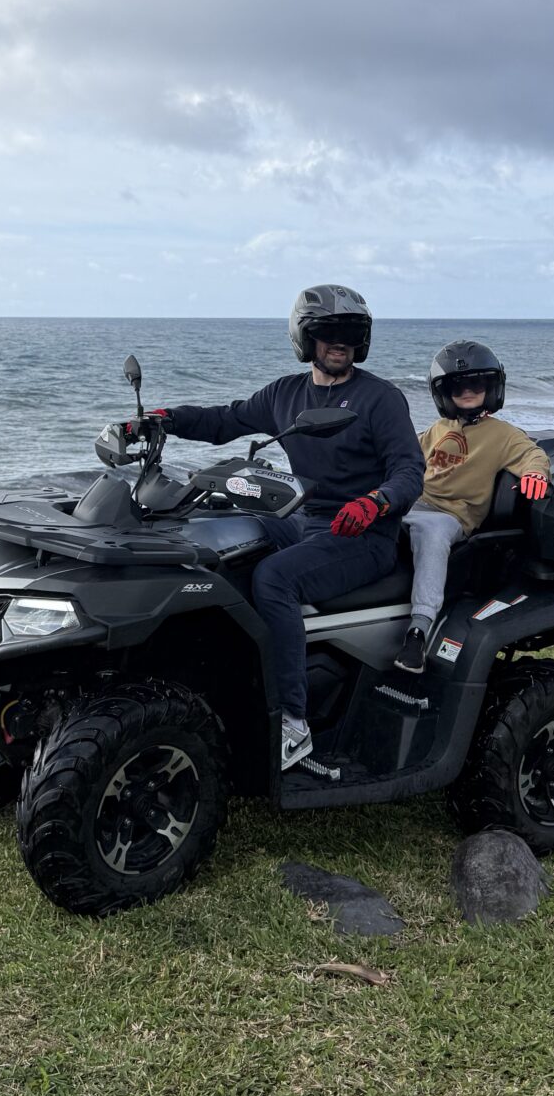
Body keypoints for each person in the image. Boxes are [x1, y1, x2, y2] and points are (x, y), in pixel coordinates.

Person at [136, 284, 424, 770]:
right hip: (306, 518)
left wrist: (376, 502)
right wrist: (164, 419)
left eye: (350, 333)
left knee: (274, 577)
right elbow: (225, 420)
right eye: (328, 332)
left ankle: (293, 721)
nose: (339, 343)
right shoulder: (285, 394)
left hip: (364, 534)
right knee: (222, 536)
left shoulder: (381, 398)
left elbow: (410, 470)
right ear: (305, 338)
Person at [395, 341, 551, 674]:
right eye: (457, 386)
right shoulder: (438, 429)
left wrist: (536, 473)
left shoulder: (503, 435)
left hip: (451, 517)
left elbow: (532, 454)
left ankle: (418, 629)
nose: (466, 391)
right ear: (444, 393)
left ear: (491, 387)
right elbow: (405, 456)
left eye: (476, 383)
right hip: (415, 503)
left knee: (431, 536)